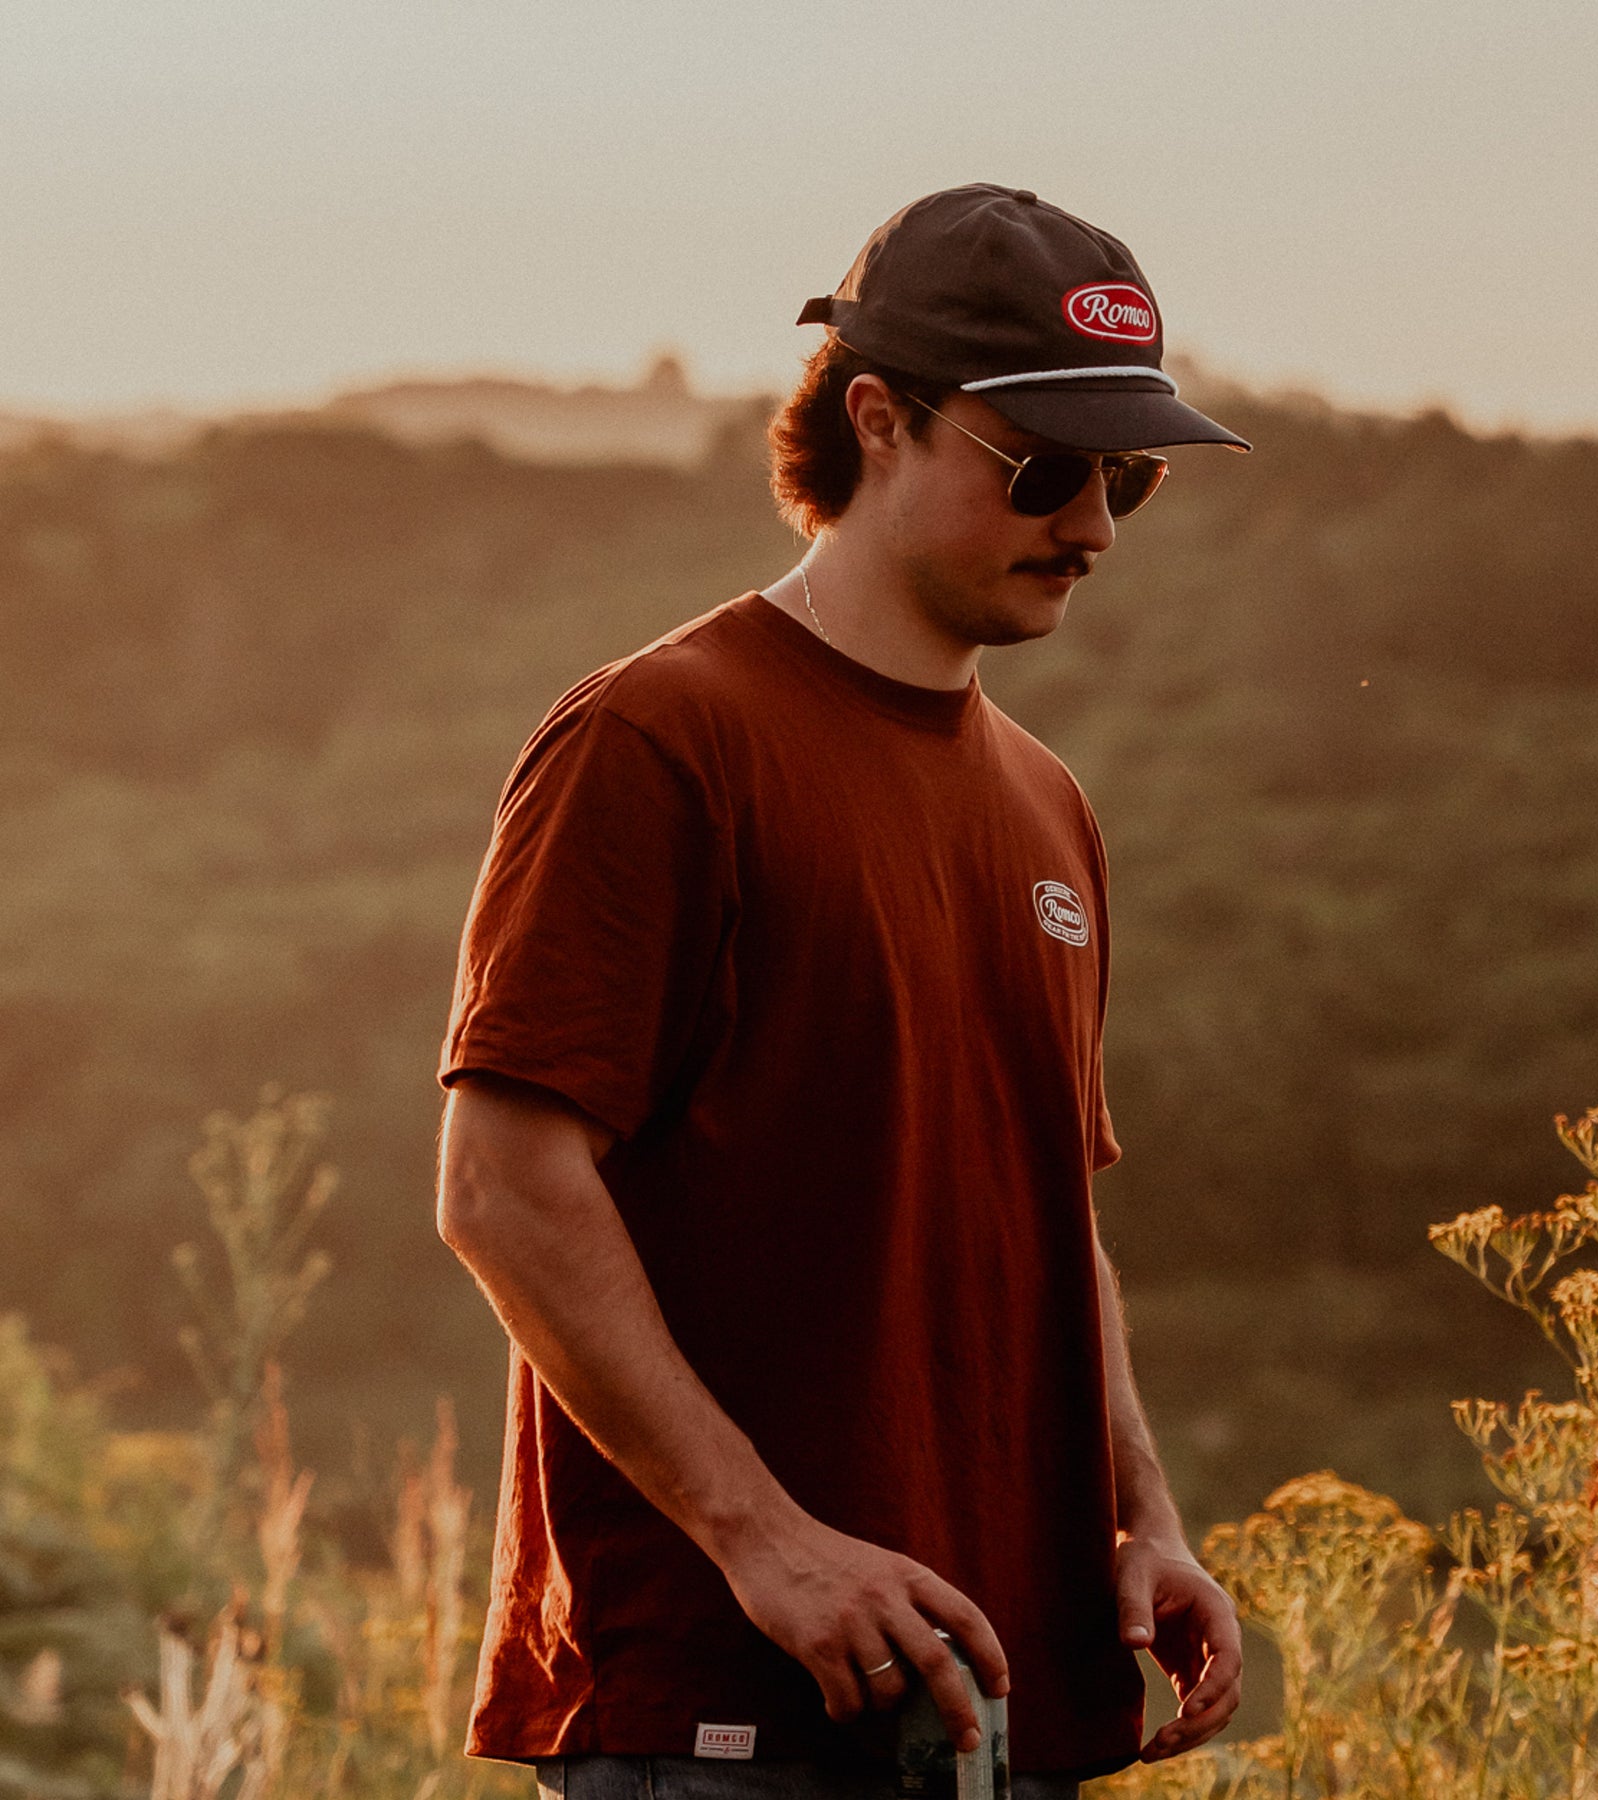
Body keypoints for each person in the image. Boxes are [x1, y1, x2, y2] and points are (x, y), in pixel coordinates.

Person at [435, 183, 1252, 1800]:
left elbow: (1047, 1220)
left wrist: (1135, 1522)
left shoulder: (1049, 807)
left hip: (995, 1709)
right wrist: (775, 1548)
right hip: (724, 1715)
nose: (1091, 524)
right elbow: (504, 1188)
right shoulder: (661, 742)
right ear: (876, 419)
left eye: (1130, 476)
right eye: (1044, 468)